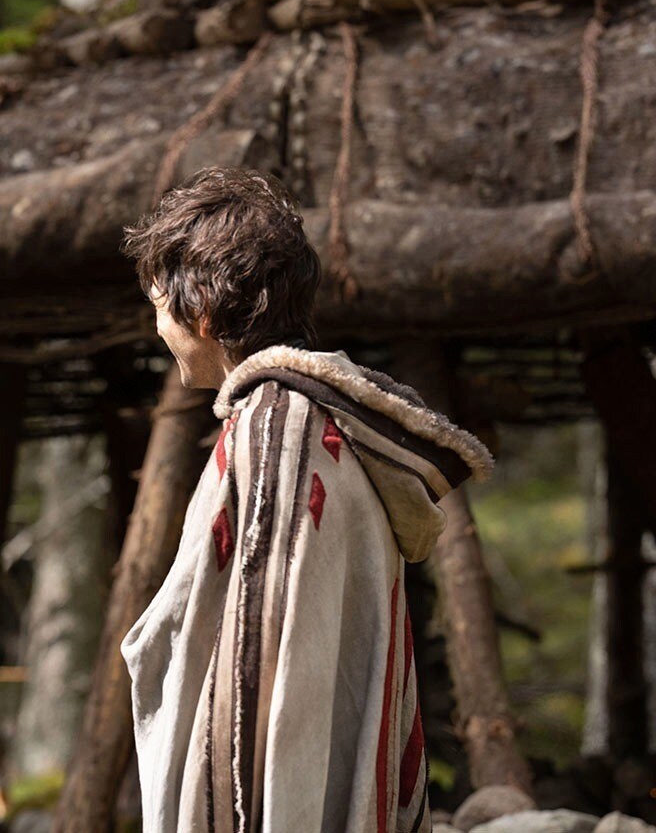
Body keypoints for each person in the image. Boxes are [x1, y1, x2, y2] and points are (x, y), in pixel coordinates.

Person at [120, 168, 492, 832]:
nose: (155, 327)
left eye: (157, 303)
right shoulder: (312, 426)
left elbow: (259, 669)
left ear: (200, 309)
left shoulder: (277, 434)